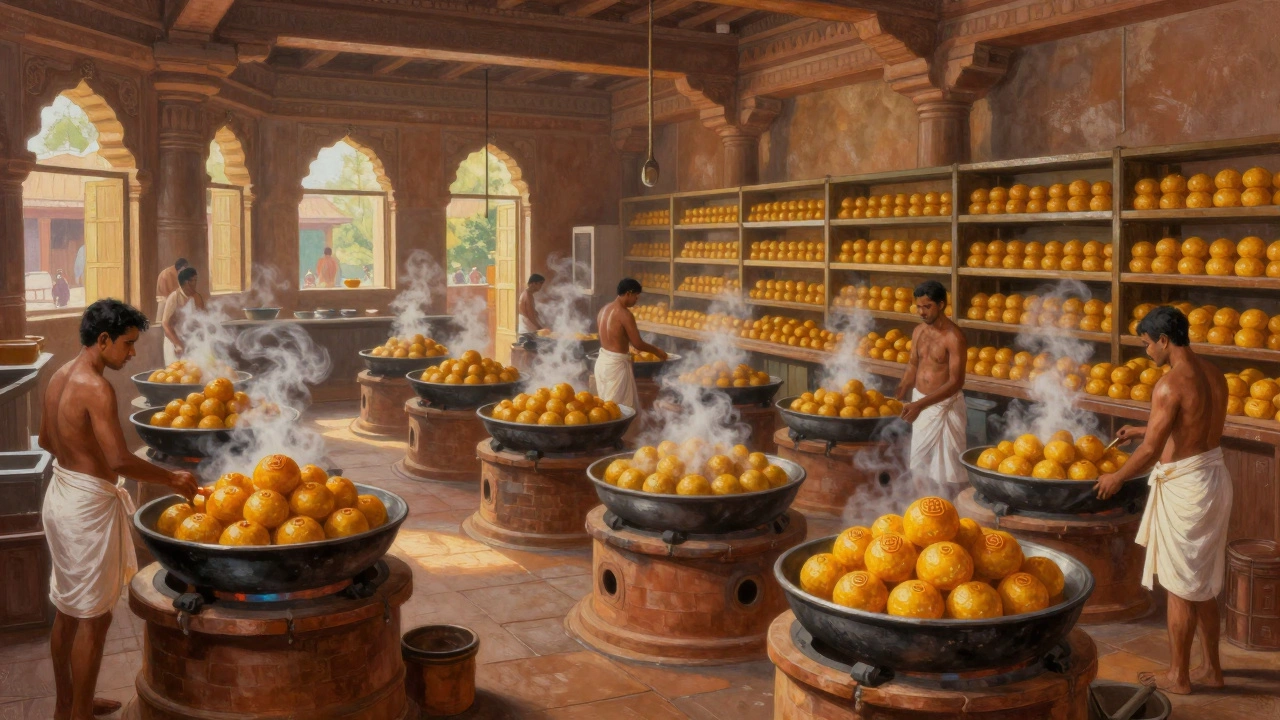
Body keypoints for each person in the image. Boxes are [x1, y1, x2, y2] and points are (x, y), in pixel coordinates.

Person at [39, 300, 197, 720]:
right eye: (127, 344)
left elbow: (44, 440)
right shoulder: (96, 387)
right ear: (103, 339)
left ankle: (67, 705)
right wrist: (174, 479)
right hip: (84, 511)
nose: (131, 353)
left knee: (69, 610)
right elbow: (119, 461)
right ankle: (78, 716)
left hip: (60, 497)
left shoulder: (58, 376)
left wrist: (78, 457)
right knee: (93, 618)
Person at [1095, 306, 1231, 695]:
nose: (1146, 352)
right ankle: (1213, 670)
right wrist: (1140, 428)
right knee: (1201, 583)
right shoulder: (1214, 373)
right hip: (1213, 477)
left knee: (1179, 586)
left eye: (1147, 345)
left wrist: (1117, 477)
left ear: (1164, 341)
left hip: (1187, 488)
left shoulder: (1169, 384)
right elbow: (1194, 424)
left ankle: (1179, 676)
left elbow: (1155, 449)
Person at [894, 280, 968, 495]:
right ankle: (924, 510)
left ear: (942, 305)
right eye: (918, 307)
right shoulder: (918, 331)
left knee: (951, 472)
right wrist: (899, 394)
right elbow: (913, 365)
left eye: (927, 307)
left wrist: (919, 405)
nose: (922, 312)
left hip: (945, 406)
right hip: (920, 403)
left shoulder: (954, 337)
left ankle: (952, 512)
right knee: (919, 464)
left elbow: (956, 382)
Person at [595, 278, 667, 408]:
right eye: (636, 296)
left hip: (602, 363)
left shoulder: (603, 310)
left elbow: (613, 337)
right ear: (628, 293)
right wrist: (657, 351)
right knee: (617, 411)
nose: (636, 300)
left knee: (606, 409)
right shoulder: (625, 314)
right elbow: (638, 344)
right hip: (615, 367)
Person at [161, 266, 205, 364]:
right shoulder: (174, 298)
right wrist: (177, 344)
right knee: (176, 373)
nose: (196, 283)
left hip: (191, 342)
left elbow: (202, 320)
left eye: (196, 280)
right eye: (194, 280)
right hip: (174, 343)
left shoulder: (197, 298)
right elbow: (165, 324)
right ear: (186, 283)